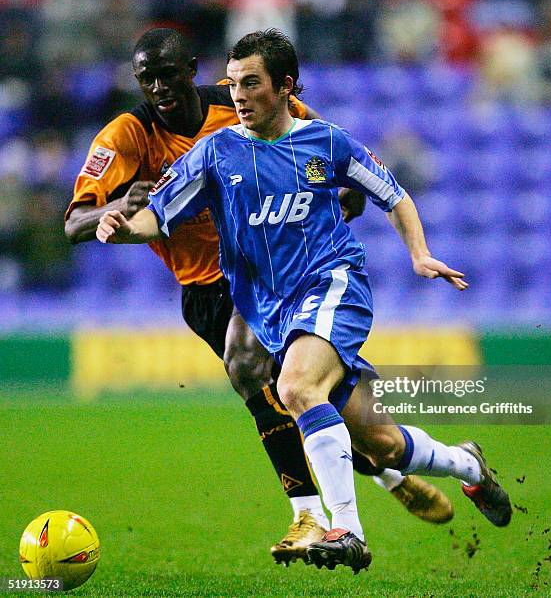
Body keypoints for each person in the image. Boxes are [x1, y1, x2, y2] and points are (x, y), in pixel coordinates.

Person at [96, 28, 512, 573]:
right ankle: (467, 465)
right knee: (380, 443)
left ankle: (345, 531)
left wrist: (419, 253)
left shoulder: (327, 143)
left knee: (294, 385)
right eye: (233, 84)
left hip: (332, 285)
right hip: (272, 310)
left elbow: (393, 194)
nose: (238, 96)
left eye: (251, 84)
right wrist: (121, 228)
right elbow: (160, 214)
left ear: (285, 87)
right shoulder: (216, 152)